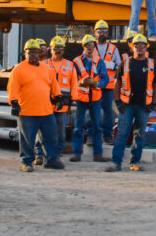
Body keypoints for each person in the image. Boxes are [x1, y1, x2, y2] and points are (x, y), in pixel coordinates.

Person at [105, 34, 156, 172]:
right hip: (127, 105)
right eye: (137, 45)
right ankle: (116, 162)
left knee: (140, 135)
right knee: (122, 133)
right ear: (132, 47)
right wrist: (117, 101)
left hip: (144, 106)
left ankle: (134, 162)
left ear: (146, 47)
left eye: (142, 45)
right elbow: (117, 83)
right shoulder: (125, 62)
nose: (139, 48)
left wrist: (154, 103)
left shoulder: (152, 64)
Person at [8, 39, 63, 172]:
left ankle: (51, 160)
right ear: (24, 53)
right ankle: (26, 162)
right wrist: (14, 102)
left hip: (46, 111)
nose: (32, 55)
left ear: (39, 53)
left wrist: (58, 96)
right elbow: (12, 87)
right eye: (29, 52)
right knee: (27, 139)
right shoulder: (19, 69)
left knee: (51, 137)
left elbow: (53, 84)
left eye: (35, 52)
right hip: (27, 112)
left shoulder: (46, 68)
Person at [35, 36, 76, 165]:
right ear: (50, 49)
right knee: (42, 132)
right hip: (45, 105)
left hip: (62, 106)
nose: (57, 50)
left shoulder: (70, 65)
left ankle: (55, 155)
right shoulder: (44, 64)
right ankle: (40, 155)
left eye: (60, 48)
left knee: (60, 133)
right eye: (55, 48)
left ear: (63, 50)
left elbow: (74, 84)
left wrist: (73, 103)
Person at [69, 33, 109, 162]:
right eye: (87, 46)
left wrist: (97, 83)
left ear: (94, 46)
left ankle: (98, 154)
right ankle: (77, 153)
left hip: (95, 98)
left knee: (97, 127)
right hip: (81, 99)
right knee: (78, 127)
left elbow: (106, 79)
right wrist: (81, 82)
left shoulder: (99, 61)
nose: (89, 48)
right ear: (83, 47)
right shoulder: (76, 62)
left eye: (91, 45)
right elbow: (71, 80)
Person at [93, 20, 121, 143]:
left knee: (108, 111)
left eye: (105, 31)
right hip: (94, 85)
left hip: (108, 86)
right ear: (95, 33)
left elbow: (119, 65)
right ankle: (92, 135)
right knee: (93, 110)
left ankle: (107, 135)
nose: (102, 34)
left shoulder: (113, 48)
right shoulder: (90, 46)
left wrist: (108, 64)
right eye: (100, 31)